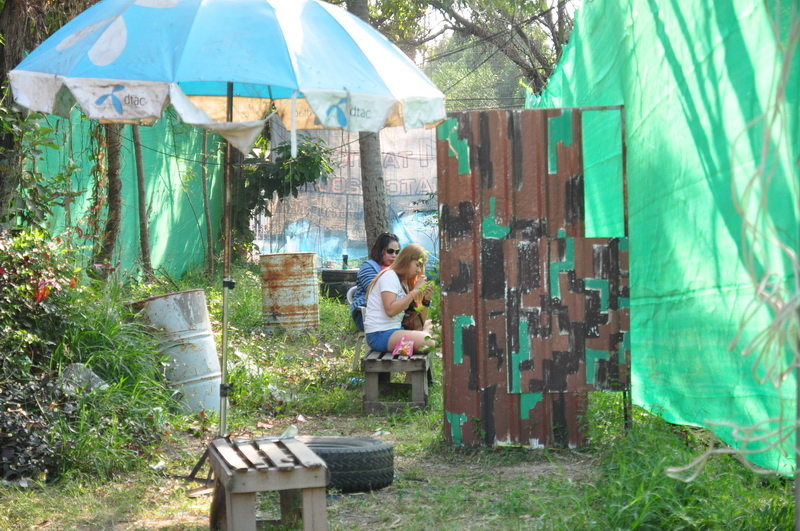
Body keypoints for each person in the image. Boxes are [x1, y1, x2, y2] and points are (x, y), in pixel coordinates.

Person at [364, 243, 435, 354]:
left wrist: (425, 300)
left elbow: (419, 323)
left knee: (437, 326)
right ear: (406, 260)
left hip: (397, 331)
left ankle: (410, 345)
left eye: (421, 266)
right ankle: (413, 344)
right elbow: (390, 310)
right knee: (428, 342)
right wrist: (415, 291)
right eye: (417, 265)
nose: (418, 270)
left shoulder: (405, 282)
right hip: (380, 335)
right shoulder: (389, 276)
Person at [349, 233, 400, 331]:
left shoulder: (397, 270)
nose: (394, 255)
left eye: (397, 252)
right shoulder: (368, 266)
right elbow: (374, 291)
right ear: (380, 250)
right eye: (390, 251)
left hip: (391, 313)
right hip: (367, 313)